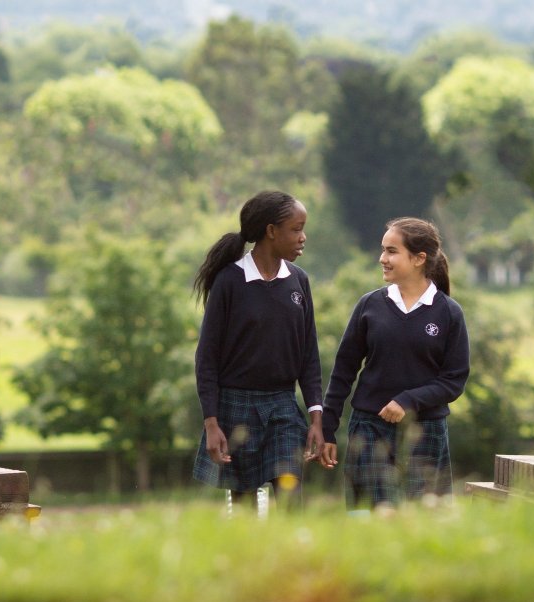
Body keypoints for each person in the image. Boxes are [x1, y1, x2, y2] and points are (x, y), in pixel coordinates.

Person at [318, 217, 469, 509]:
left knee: (425, 518)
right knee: (366, 516)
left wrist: (407, 401)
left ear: (418, 258)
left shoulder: (449, 313)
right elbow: (343, 372)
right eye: (383, 250)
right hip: (368, 428)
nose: (382, 258)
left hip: (426, 429)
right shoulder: (369, 305)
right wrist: (327, 429)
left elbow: (454, 380)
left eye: (391, 251)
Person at [190, 190, 326, 513]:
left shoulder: (299, 282)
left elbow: (309, 356)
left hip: (282, 406)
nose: (303, 237)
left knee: (291, 498)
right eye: (296, 229)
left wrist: (316, 418)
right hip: (235, 407)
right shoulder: (229, 282)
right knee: (245, 507)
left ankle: (294, 560)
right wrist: (212, 423)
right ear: (271, 231)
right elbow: (206, 358)